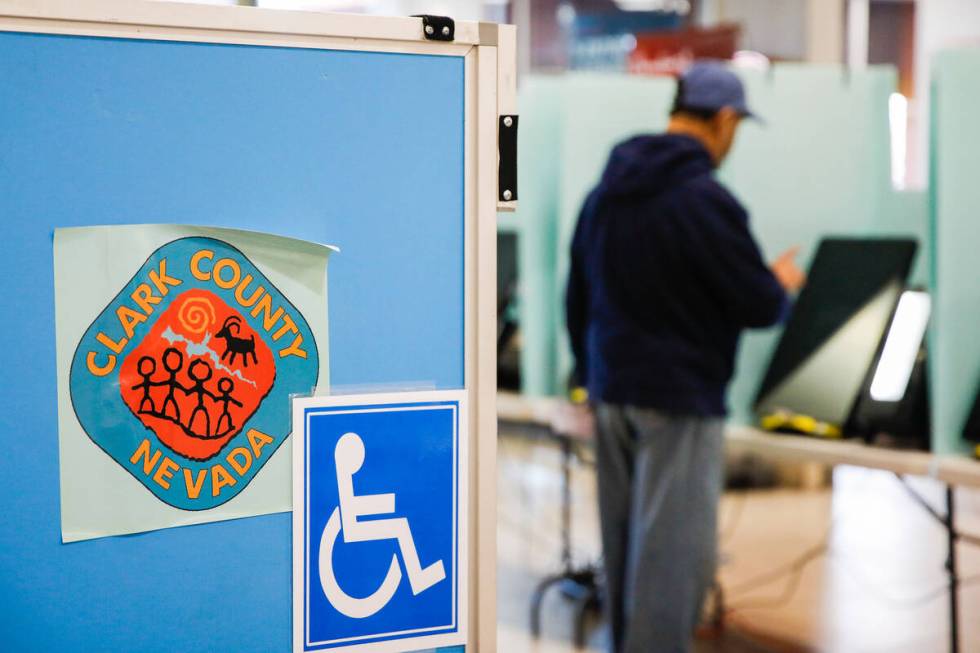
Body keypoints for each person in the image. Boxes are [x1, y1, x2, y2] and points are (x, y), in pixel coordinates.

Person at [565, 61, 805, 653]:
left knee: (622, 560)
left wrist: (589, 379)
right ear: (724, 120)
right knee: (670, 567)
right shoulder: (706, 201)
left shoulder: (606, 193)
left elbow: (578, 295)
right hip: (680, 401)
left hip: (612, 391)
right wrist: (781, 285)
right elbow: (756, 304)